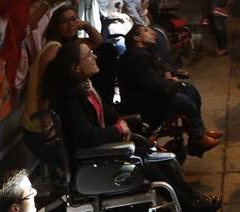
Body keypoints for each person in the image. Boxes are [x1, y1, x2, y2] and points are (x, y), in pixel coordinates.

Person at [46, 42, 221, 212]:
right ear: (76, 67)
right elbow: (87, 136)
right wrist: (119, 130)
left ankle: (190, 199)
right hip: (92, 160)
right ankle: (188, 204)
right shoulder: (69, 100)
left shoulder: (85, 88)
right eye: (89, 55)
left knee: (156, 154)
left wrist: (122, 121)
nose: (95, 56)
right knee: (146, 161)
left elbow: (108, 113)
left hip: (101, 150)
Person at [117, 25, 220, 155]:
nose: (153, 33)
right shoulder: (136, 57)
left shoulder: (146, 53)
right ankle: (198, 137)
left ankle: (198, 134)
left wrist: (168, 73)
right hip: (143, 104)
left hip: (152, 96)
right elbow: (151, 84)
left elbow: (163, 65)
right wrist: (172, 83)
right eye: (146, 31)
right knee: (182, 101)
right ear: (136, 38)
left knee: (189, 89)